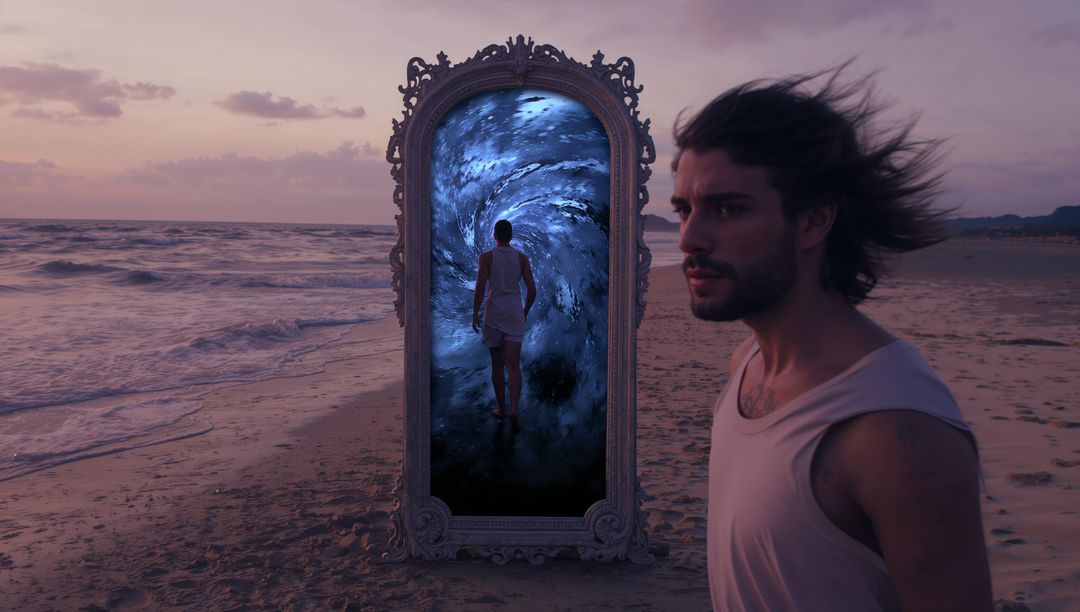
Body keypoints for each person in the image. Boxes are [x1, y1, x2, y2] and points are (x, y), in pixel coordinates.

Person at [671, 65, 993, 610]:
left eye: (727, 209)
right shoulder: (747, 364)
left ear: (813, 222)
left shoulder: (894, 432)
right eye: (684, 209)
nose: (689, 239)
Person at [472, 219, 536, 431]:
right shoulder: (521, 258)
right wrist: (524, 312)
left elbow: (480, 287)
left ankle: (501, 408)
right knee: (513, 364)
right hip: (514, 313)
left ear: (494, 235)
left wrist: (475, 312)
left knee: (497, 364)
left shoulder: (486, 257)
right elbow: (532, 290)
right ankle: (514, 408)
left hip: (494, 315)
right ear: (511, 236)